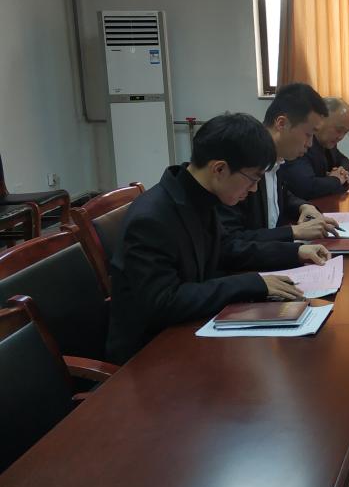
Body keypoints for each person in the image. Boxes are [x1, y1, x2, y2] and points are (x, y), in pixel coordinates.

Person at [108, 113, 329, 364]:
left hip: (191, 330)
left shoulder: (200, 196)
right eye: (253, 179)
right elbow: (164, 302)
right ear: (220, 169)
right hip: (149, 356)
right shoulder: (152, 219)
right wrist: (250, 283)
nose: (254, 189)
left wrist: (294, 252)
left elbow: (227, 249)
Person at [218, 83, 338, 243]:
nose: (310, 144)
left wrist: (304, 207)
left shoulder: (278, 157)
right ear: (281, 124)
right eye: (308, 134)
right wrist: (293, 232)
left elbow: (281, 195)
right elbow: (231, 241)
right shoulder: (242, 162)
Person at [279, 97, 349, 199]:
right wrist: (336, 180)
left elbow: (344, 160)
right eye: (338, 130)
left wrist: (341, 172)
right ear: (321, 120)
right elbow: (307, 187)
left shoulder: (328, 141)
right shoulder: (301, 143)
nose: (341, 137)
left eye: (345, 132)